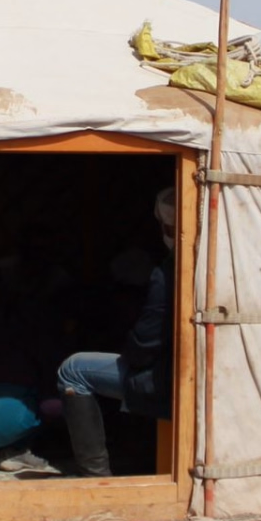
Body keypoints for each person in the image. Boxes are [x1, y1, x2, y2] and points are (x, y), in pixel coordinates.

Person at [56, 189, 174, 478]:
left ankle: (95, 478)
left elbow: (146, 342)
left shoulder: (169, 270)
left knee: (73, 370)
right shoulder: (230, 259)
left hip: (169, 382)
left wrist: (130, 348)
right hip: (219, 383)